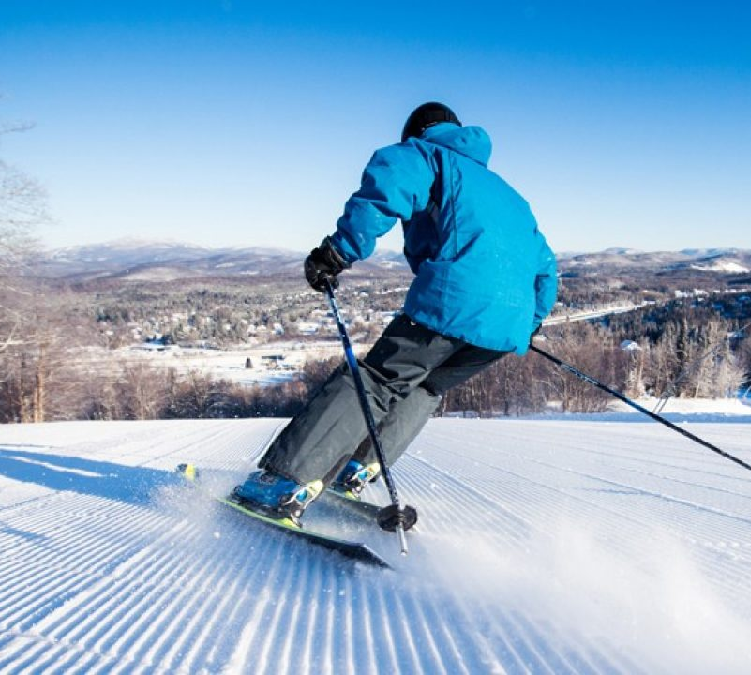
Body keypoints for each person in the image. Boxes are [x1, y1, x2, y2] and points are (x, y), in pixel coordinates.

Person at [233, 102, 558, 524]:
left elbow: (387, 191)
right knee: (423, 389)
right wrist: (523, 326)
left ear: (418, 131)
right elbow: (546, 269)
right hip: (503, 330)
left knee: (375, 380)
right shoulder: (511, 197)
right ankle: (354, 469)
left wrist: (337, 251)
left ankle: (284, 483)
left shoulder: (427, 154)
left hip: (453, 301)